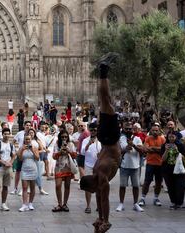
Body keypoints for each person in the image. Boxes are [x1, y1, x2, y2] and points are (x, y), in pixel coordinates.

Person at [79, 53, 123, 233]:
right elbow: (100, 197)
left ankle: (103, 70)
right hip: (106, 139)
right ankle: (103, 71)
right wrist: (100, 219)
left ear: (94, 184)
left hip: (110, 139)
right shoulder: (97, 173)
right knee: (104, 101)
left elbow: (104, 200)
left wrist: (105, 221)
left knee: (106, 100)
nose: (96, 191)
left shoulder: (101, 174)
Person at [116, 121, 144, 212]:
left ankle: (135, 204)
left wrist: (133, 145)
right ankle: (121, 203)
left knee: (136, 186)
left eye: (130, 129)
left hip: (135, 166)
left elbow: (142, 151)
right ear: (123, 129)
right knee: (122, 185)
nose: (128, 130)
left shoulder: (137, 138)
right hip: (124, 165)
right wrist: (126, 148)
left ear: (133, 129)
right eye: (126, 129)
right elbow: (118, 151)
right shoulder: (121, 138)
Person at [138, 124, 166, 207]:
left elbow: (163, 150)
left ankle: (156, 198)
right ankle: (142, 198)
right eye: (153, 130)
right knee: (147, 182)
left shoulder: (162, 139)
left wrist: (152, 148)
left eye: (156, 130)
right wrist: (157, 149)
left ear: (159, 130)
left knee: (158, 182)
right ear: (151, 131)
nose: (155, 132)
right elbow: (145, 149)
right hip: (150, 163)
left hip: (160, 164)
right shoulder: (148, 138)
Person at [52, 130, 77, 212]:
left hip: (68, 167)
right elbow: (54, 157)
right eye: (62, 137)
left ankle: (65, 204)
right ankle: (59, 204)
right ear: (60, 137)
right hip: (59, 167)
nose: (64, 138)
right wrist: (60, 152)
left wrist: (68, 151)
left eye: (66, 136)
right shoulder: (56, 144)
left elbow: (75, 156)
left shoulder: (71, 144)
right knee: (58, 185)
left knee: (67, 186)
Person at [160, 131, 185, 209]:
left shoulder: (180, 145)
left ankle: (179, 202)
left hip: (179, 169)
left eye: (173, 137)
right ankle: (173, 202)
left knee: (180, 186)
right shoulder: (164, 146)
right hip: (168, 169)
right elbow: (163, 159)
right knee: (170, 187)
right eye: (169, 137)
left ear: (176, 137)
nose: (171, 139)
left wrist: (177, 150)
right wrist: (166, 150)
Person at [81, 123, 102, 214]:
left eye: (95, 130)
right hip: (88, 165)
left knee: (99, 186)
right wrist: (88, 145)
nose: (93, 132)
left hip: (99, 166)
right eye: (91, 130)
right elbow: (82, 152)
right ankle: (88, 206)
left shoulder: (101, 141)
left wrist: (100, 155)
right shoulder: (86, 140)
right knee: (88, 186)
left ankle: (98, 205)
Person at [18, 135, 39, 212]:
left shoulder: (35, 147)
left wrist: (32, 150)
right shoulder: (22, 148)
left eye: (29, 139)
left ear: (31, 140)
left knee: (33, 187)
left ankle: (30, 203)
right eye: (26, 139)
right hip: (24, 169)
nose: (27, 140)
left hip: (33, 169)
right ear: (24, 140)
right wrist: (22, 150)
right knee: (24, 187)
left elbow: (37, 158)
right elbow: (20, 159)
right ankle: (24, 204)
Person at [11, 121, 32, 196]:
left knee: (27, 172)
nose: (28, 126)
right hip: (20, 154)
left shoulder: (32, 134)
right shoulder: (20, 133)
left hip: (29, 155)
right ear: (24, 125)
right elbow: (13, 142)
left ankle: (25, 189)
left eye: (29, 125)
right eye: (27, 125)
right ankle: (15, 188)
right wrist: (15, 150)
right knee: (18, 171)